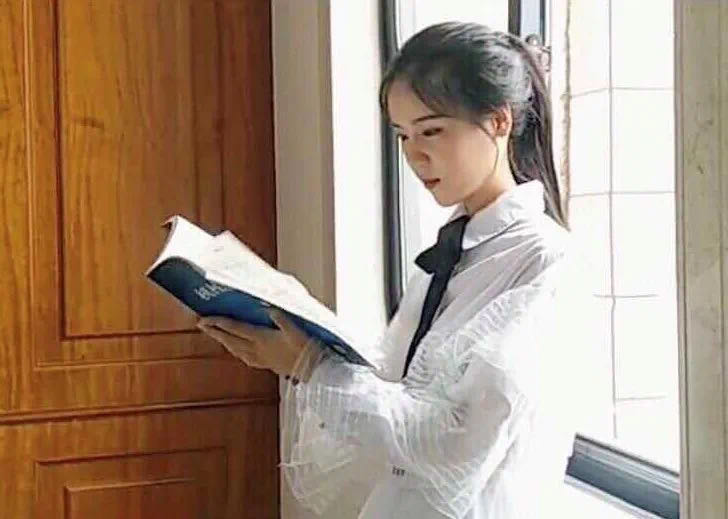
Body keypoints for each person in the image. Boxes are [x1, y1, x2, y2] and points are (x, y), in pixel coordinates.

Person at [198, 21, 589, 519]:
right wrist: (305, 347)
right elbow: (398, 392)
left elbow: (457, 447)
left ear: (498, 121)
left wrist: (313, 367)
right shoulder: (448, 254)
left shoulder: (546, 263)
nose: (413, 155)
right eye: (403, 135)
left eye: (431, 131)